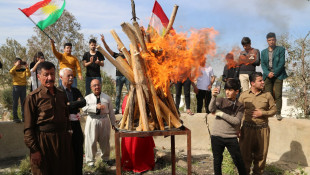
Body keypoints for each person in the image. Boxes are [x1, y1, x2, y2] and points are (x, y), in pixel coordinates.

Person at [23, 61, 74, 175]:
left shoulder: (61, 94)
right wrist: (34, 150)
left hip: (62, 142)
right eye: (46, 74)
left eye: (52, 74)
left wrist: (68, 136)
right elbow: (28, 129)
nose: (50, 78)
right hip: (43, 142)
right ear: (39, 76)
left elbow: (67, 117)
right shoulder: (33, 98)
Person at [238, 72, 277, 175]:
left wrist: (262, 113)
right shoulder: (244, 95)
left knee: (260, 157)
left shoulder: (267, 95)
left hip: (262, 130)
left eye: (262, 80)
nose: (263, 82)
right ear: (252, 83)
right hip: (247, 130)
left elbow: (274, 110)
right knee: (244, 156)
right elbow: (238, 113)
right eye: (260, 80)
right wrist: (237, 129)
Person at [209, 79, 246, 175]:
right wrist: (213, 96)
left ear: (237, 91)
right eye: (226, 89)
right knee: (217, 161)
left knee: (238, 161)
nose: (227, 92)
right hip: (216, 136)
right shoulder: (220, 100)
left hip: (231, 137)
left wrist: (220, 113)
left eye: (230, 90)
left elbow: (236, 121)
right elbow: (211, 109)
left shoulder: (240, 106)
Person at [82, 79, 116, 166]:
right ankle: (90, 161)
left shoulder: (107, 97)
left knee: (105, 141)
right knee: (91, 141)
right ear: (91, 87)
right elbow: (84, 109)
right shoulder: (87, 98)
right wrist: (95, 107)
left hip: (104, 120)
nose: (97, 87)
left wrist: (113, 123)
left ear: (101, 86)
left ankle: (105, 159)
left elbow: (111, 112)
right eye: (94, 85)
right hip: (92, 120)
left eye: (98, 85)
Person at [59, 68, 86, 175]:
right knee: (66, 152)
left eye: (72, 76)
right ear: (61, 77)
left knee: (78, 150)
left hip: (76, 124)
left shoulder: (75, 90)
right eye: (68, 76)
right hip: (64, 126)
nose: (71, 78)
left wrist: (70, 104)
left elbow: (83, 102)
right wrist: (74, 103)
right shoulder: (58, 92)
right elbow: (62, 107)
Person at [121, 95, 155, 173]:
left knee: (141, 148)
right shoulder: (128, 97)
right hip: (130, 126)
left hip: (143, 125)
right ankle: (130, 166)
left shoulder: (145, 97)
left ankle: (142, 166)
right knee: (131, 147)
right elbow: (124, 111)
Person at [261, 32, 288, 121]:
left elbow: (281, 63)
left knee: (278, 94)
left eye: (273, 40)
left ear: (275, 40)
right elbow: (263, 64)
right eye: (269, 40)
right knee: (268, 94)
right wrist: (268, 73)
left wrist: (274, 73)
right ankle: (269, 112)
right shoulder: (263, 52)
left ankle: (278, 113)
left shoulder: (281, 49)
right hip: (267, 75)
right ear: (267, 41)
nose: (271, 42)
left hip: (278, 75)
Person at [101, 34, 130, 114]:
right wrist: (103, 41)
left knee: (130, 93)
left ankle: (130, 108)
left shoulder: (128, 54)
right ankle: (117, 109)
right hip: (119, 77)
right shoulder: (116, 55)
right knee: (118, 94)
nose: (120, 47)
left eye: (121, 45)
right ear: (117, 48)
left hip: (128, 76)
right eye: (118, 46)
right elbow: (107, 49)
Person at [9, 58, 30, 123]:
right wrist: (16, 66)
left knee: (23, 103)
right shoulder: (14, 69)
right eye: (18, 63)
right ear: (14, 63)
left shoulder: (23, 69)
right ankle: (15, 117)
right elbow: (11, 72)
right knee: (15, 102)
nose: (19, 64)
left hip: (23, 87)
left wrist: (26, 67)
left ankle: (24, 117)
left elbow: (28, 75)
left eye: (20, 63)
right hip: (16, 87)